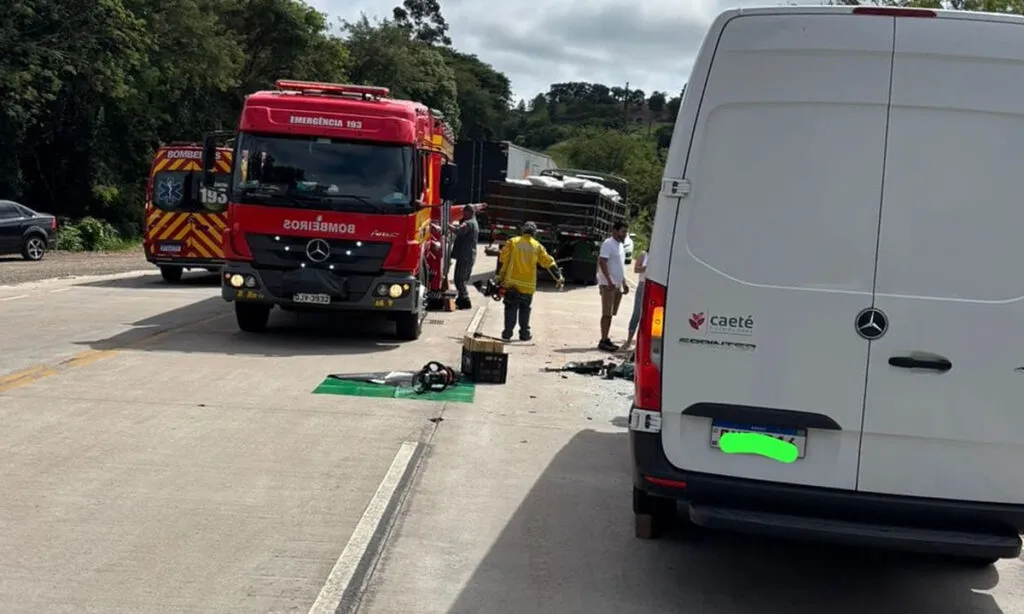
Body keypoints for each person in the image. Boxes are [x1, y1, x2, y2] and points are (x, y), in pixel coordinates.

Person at [497, 221, 564, 341]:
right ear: (534, 233)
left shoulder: (513, 242)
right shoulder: (537, 246)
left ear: (523, 231)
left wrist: (500, 276)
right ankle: (524, 334)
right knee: (525, 309)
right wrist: (558, 277)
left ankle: (507, 333)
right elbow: (548, 262)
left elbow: (503, 259)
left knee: (511, 308)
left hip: (511, 283)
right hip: (528, 286)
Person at [597, 221, 630, 352]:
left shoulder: (620, 245)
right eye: (622, 231)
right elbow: (602, 262)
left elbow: (620, 266)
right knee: (607, 313)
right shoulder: (608, 244)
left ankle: (606, 338)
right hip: (608, 285)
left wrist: (624, 282)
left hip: (617, 285)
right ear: (614, 231)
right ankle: (603, 340)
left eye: (626, 232)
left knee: (611, 313)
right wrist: (609, 280)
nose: (624, 234)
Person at [450, 205, 479, 310]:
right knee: (461, 279)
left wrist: (447, 225)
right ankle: (462, 299)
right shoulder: (473, 223)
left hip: (465, 256)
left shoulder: (469, 223)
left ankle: (465, 300)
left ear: (470, 212)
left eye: (464, 212)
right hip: (467, 255)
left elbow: (458, 230)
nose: (463, 214)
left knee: (459, 279)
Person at [620, 249, 648, 353]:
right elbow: (636, 269)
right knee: (637, 313)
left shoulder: (661, 256)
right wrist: (645, 268)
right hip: (643, 284)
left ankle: (642, 343)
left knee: (648, 316)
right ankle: (629, 340)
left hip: (654, 286)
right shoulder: (644, 255)